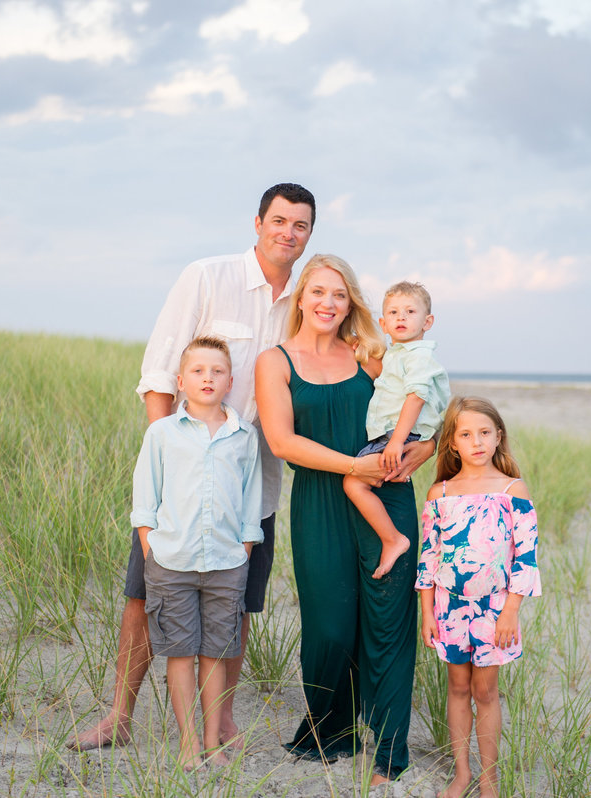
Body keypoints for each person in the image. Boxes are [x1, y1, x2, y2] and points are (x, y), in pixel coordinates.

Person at [70, 182, 315, 751]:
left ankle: (220, 723)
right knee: (144, 596)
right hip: (181, 483)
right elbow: (159, 374)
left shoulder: (306, 301)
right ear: (257, 223)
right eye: (279, 220)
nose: (287, 232)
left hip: (253, 483)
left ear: (308, 235)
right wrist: (164, 462)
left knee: (237, 605)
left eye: (300, 225)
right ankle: (120, 717)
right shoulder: (207, 277)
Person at [254, 254, 437, 785]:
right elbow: (282, 441)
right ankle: (332, 729)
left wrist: (422, 452)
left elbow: (420, 407)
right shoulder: (275, 361)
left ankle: (387, 752)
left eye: (339, 294)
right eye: (318, 292)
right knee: (332, 628)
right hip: (319, 503)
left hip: (387, 499)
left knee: (386, 628)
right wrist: (351, 466)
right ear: (301, 299)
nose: (328, 303)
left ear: (350, 302)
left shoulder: (370, 353)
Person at [131, 336, 262, 770]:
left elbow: (251, 499)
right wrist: (152, 549)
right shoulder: (162, 432)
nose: (208, 377)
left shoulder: (244, 436)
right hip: (172, 563)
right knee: (180, 653)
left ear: (229, 381)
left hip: (226, 564)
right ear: (182, 381)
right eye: (199, 371)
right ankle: (188, 743)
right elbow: (145, 499)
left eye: (217, 371)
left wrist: (243, 549)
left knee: (216, 654)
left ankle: (212, 743)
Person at [416, 396, 542, 798]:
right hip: (449, 608)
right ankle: (462, 773)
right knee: (456, 687)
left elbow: (526, 557)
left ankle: (490, 778)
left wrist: (511, 612)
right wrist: (427, 614)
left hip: (494, 610)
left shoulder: (512, 489)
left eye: (485, 433)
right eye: (466, 434)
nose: (476, 442)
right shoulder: (440, 493)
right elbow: (428, 558)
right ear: (452, 442)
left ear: (498, 436)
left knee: (485, 691)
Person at [343, 281, 449, 579]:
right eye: (393, 312)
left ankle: (393, 540)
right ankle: (390, 537)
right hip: (393, 435)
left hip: (399, 436)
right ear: (383, 324)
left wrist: (397, 441)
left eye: (410, 311)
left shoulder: (418, 356)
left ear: (427, 321)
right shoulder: (397, 354)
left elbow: (416, 398)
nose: (401, 318)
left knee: (353, 484)